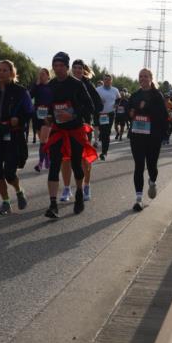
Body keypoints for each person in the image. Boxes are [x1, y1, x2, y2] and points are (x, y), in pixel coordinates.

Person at [43, 52, 97, 219]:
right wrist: (48, 116)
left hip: (75, 130)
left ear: (67, 67)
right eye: (55, 65)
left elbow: (90, 106)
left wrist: (72, 114)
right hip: (58, 131)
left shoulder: (77, 84)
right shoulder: (50, 85)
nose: (58, 68)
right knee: (54, 166)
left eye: (61, 66)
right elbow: (47, 106)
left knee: (76, 164)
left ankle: (79, 192)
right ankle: (53, 204)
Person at [0, 60, 32, 214]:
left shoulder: (21, 91)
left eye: (4, 70)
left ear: (12, 73)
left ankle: (18, 190)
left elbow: (30, 111)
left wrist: (20, 119)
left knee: (9, 173)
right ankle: (5, 202)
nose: (1, 73)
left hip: (13, 134)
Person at [127, 68, 169, 211]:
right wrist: (132, 112)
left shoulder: (157, 95)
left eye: (145, 76)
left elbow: (163, 116)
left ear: (151, 78)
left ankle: (152, 182)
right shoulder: (135, 95)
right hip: (137, 136)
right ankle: (138, 199)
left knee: (152, 166)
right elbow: (129, 112)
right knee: (138, 166)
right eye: (140, 76)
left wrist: (164, 135)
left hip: (153, 137)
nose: (143, 78)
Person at [61, 60, 102, 203]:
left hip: (82, 126)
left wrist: (81, 113)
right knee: (65, 158)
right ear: (71, 69)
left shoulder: (87, 85)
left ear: (83, 71)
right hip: (65, 126)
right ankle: (66, 189)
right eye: (75, 68)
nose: (77, 70)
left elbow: (98, 105)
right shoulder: (66, 82)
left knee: (84, 159)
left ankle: (86, 186)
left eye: (80, 68)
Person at [29, 67, 53, 172]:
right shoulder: (37, 86)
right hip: (37, 116)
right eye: (40, 74)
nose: (41, 76)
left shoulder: (51, 86)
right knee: (44, 141)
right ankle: (48, 159)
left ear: (48, 75)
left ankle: (40, 164)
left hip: (47, 116)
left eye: (43, 74)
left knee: (43, 141)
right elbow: (29, 95)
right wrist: (36, 85)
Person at [96, 73, 120, 160]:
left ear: (111, 81)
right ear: (103, 80)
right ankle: (103, 145)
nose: (107, 81)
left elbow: (118, 98)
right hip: (101, 114)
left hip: (110, 114)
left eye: (109, 79)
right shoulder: (98, 89)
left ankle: (104, 152)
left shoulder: (115, 90)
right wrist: (99, 101)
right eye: (105, 79)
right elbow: (93, 99)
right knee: (102, 132)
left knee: (106, 132)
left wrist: (116, 104)